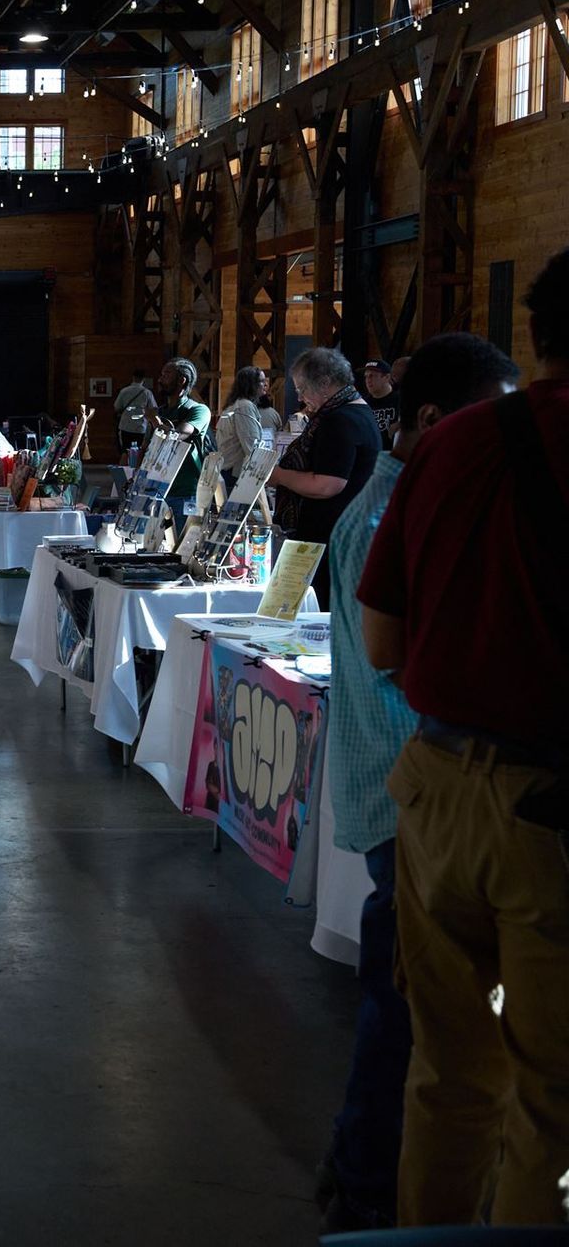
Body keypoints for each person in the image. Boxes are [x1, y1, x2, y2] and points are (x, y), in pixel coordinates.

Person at [359, 249, 569, 1228]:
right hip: (549, 817)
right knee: (552, 1106)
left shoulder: (448, 446)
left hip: (434, 795)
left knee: (446, 1075)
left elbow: (382, 638)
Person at [316, 334, 521, 1233]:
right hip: (418, 793)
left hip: (404, 787)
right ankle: (369, 1193)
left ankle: (362, 1177)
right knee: (408, 1015)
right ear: (436, 421)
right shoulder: (407, 507)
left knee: (411, 1011)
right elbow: (408, 661)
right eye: (491, 414)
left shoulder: (401, 499)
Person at [272, 346, 381, 599]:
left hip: (330, 540)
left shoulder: (340, 420)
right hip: (339, 535)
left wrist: (278, 476)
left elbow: (327, 484)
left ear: (324, 383)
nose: (300, 397)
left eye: (302, 388)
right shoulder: (354, 411)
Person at [157, 358, 210, 510]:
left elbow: (178, 435)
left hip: (185, 491)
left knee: (181, 534)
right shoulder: (161, 411)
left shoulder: (198, 410)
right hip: (157, 489)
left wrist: (156, 422)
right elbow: (147, 446)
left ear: (181, 380)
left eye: (166, 375)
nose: (160, 379)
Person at [216, 366, 270, 488]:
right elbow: (251, 444)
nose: (265, 384)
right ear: (251, 384)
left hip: (226, 471)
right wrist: (263, 473)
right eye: (261, 381)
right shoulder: (244, 406)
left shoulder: (235, 405)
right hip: (234, 474)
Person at [114, 366, 157, 458]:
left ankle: (124, 471)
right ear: (143, 379)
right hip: (141, 426)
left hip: (125, 425)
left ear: (133, 377)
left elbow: (117, 407)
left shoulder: (124, 391)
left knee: (125, 453)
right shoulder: (147, 393)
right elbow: (153, 409)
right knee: (139, 453)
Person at [363, 359, 400, 441]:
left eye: (372, 376)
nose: (368, 380)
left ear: (387, 377)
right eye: (366, 376)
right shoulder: (363, 404)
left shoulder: (401, 400)